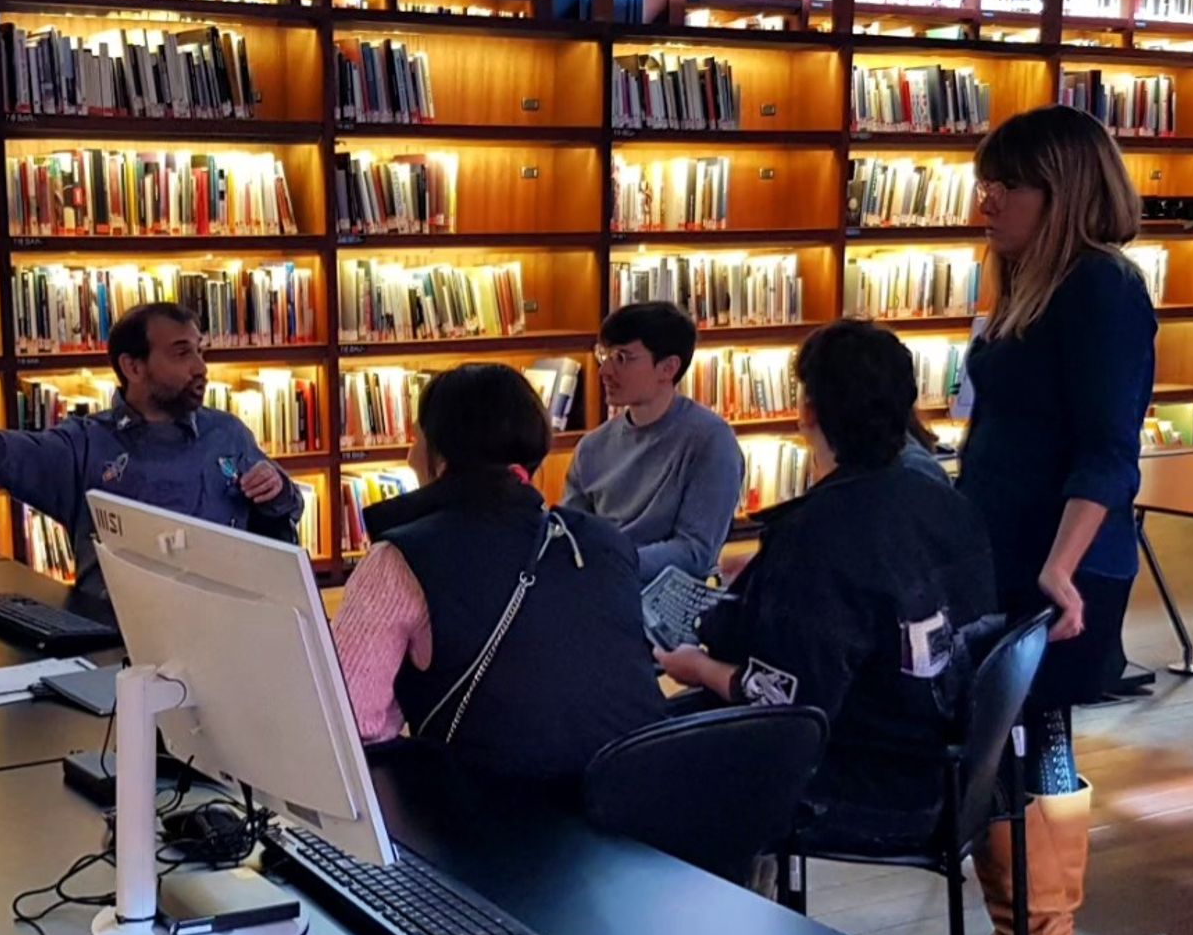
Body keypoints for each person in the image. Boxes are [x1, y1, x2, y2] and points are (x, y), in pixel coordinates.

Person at [654, 320, 999, 846]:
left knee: (640, 762)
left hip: (865, 779)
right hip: (954, 760)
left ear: (808, 411)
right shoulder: (942, 497)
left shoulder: (818, 534)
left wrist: (699, 667)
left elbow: (789, 704)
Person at [951, 104, 1156, 935]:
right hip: (1007, 544)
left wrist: (1062, 567)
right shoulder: (1027, 281)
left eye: (1003, 187)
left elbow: (1109, 447)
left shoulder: (1101, 286)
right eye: (983, 185)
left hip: (1061, 556)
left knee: (1034, 728)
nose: (984, 203)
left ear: (1060, 190)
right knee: (1008, 727)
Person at [332, 363, 665, 787]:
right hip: (633, 809)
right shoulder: (606, 542)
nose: (409, 453)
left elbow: (351, 720)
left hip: (491, 823)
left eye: (417, 437)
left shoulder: (400, 558)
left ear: (440, 455)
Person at [0, 301, 305, 604]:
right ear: (133, 367)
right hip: (113, 632)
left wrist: (279, 490)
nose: (201, 367)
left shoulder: (227, 432)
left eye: (201, 351)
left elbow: (281, 517)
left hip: (222, 627)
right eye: (182, 353)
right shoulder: (88, 441)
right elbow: (31, 451)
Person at [560, 301, 746, 584]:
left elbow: (695, 551)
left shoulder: (710, 441)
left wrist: (612, 564)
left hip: (664, 603)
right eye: (604, 355)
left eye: (622, 357)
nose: (604, 372)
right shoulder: (592, 447)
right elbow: (571, 534)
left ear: (668, 368)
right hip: (599, 591)